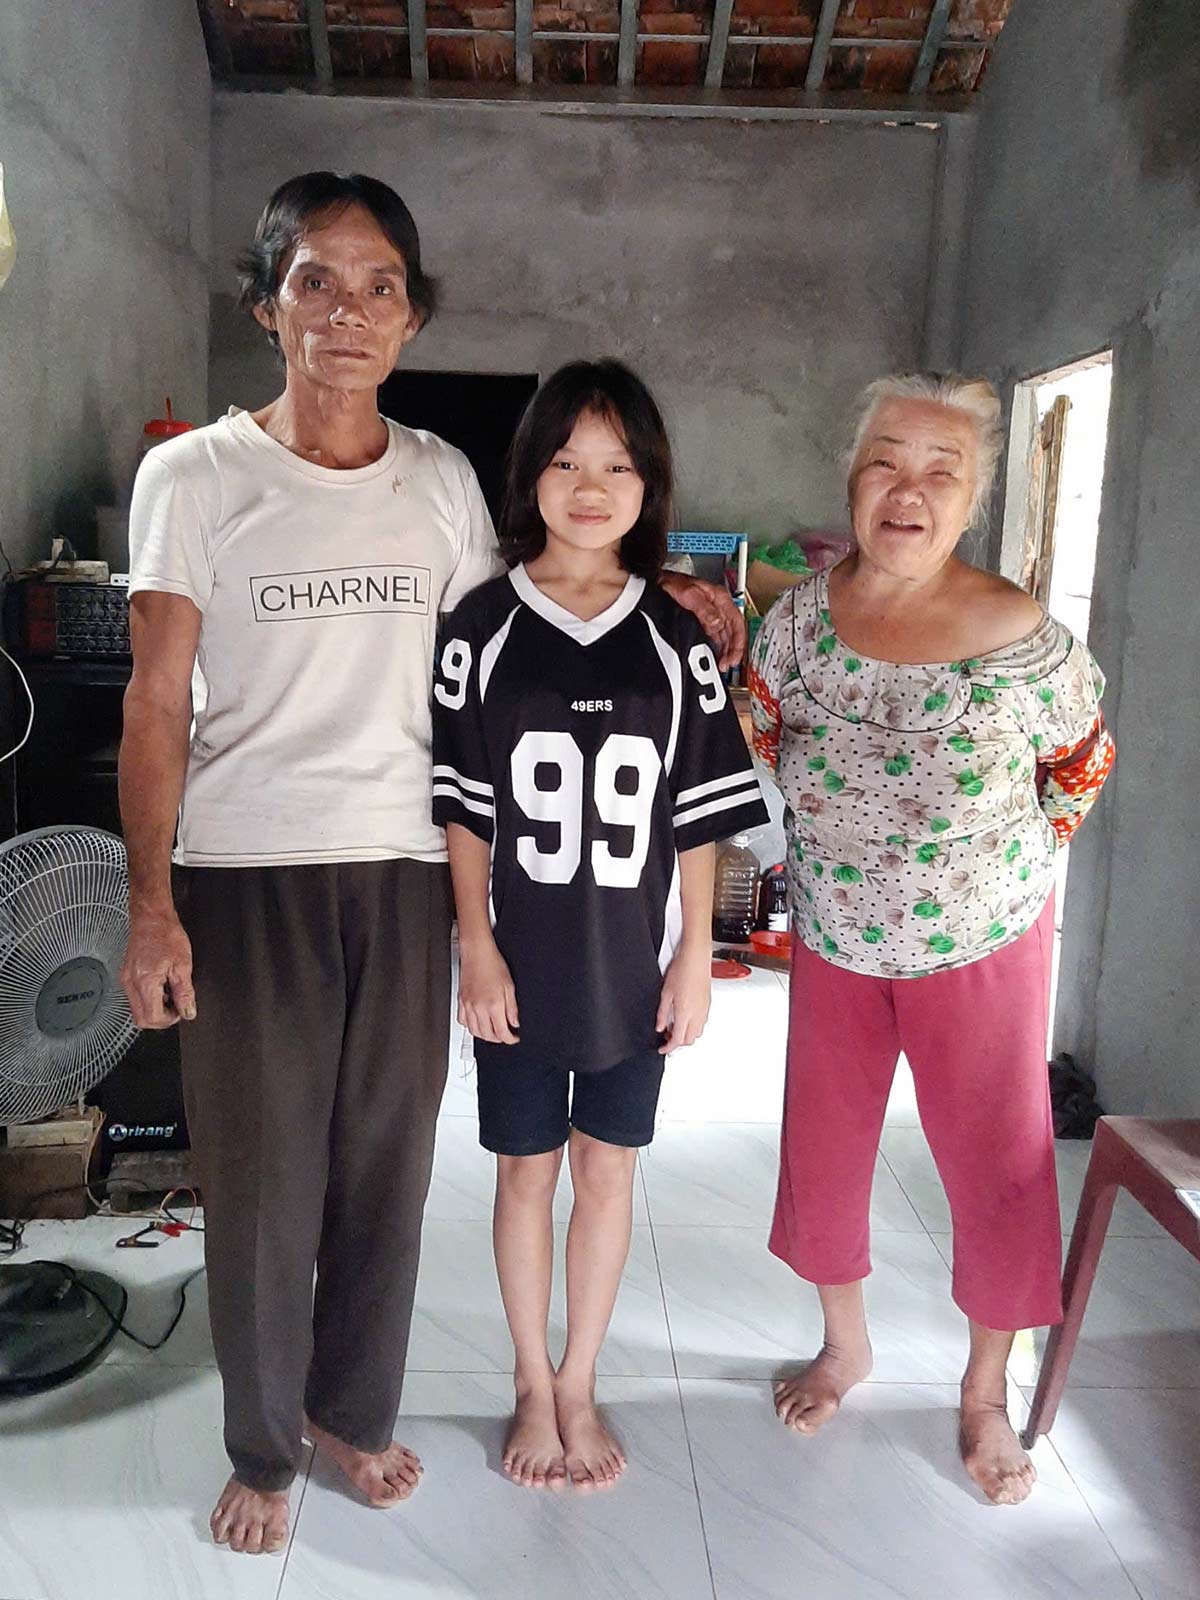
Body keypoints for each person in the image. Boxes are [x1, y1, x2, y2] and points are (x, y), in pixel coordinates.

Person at [117, 174, 743, 1555]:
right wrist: (149, 902)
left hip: (407, 869)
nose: (349, 312)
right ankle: (265, 1447)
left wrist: (663, 597)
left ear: (413, 312)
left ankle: (350, 1408)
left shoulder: (443, 479)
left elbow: (521, 618)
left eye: (380, 284)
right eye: (317, 282)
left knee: (385, 1169)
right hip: (251, 867)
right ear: (267, 302)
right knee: (266, 1177)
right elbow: (155, 698)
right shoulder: (196, 476)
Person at [748, 372, 1114, 1506]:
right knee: (825, 1147)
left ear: (974, 499)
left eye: (939, 471)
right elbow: (759, 726)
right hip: (836, 937)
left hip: (984, 945)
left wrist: (978, 874)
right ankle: (845, 1344)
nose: (908, 492)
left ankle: (983, 1390)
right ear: (852, 483)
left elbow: (1081, 768)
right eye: (884, 464)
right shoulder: (800, 621)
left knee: (999, 1166)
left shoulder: (1022, 639)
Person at [432, 360, 767, 1491]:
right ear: (530, 475)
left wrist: (697, 957)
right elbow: (464, 809)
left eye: (617, 463)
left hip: (630, 961)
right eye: (567, 459)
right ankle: (531, 1379)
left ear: (649, 483)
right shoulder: (479, 624)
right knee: (524, 1173)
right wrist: (474, 945)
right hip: (517, 966)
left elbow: (697, 816)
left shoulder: (678, 640)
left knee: (608, 1170)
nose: (590, 485)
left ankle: (581, 1377)